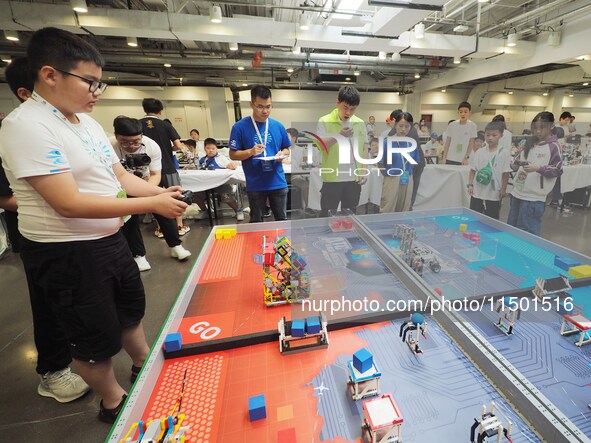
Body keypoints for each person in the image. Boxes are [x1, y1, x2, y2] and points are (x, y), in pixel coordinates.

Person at [0, 27, 189, 422]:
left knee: (129, 311)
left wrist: (158, 195)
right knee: (91, 335)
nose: (97, 91)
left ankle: (143, 364)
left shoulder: (85, 123)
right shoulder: (27, 125)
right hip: (66, 251)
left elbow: (120, 177)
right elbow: (67, 203)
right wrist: (150, 204)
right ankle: (114, 400)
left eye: (99, 83)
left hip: (109, 239)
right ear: (50, 74)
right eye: (90, 82)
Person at [0, 55, 91, 404]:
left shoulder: (72, 127)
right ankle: (53, 371)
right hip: (46, 237)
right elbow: (8, 196)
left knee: (81, 305)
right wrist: (57, 200)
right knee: (52, 307)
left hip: (81, 233)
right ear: (31, 91)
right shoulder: (19, 130)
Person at [111, 116, 192, 266]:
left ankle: (176, 246)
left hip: (148, 183)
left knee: (163, 210)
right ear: (116, 137)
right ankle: (138, 255)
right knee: (130, 220)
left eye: (135, 141)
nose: (131, 146)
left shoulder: (151, 145)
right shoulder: (109, 146)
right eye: (125, 142)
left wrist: (149, 193)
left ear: (142, 135)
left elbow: (156, 174)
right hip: (120, 187)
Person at [229, 85, 291, 222]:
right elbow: (233, 154)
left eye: (268, 106)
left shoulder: (278, 126)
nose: (265, 111)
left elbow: (287, 147)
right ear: (251, 104)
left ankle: (281, 244)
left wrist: (283, 154)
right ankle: (257, 244)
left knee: (282, 219)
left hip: (277, 181)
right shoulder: (239, 127)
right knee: (256, 221)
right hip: (255, 183)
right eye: (260, 107)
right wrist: (250, 152)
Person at [140, 98, 192, 237]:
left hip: (148, 169)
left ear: (144, 109)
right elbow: (179, 146)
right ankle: (179, 226)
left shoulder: (138, 124)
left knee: (155, 197)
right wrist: (168, 148)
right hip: (167, 166)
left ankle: (160, 229)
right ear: (161, 110)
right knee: (177, 196)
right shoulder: (165, 125)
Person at [507, 111, 563, 236]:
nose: (538, 131)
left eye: (542, 127)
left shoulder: (554, 146)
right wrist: (515, 164)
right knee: (511, 229)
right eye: (535, 127)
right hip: (517, 193)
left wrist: (539, 168)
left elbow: (557, 170)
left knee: (527, 233)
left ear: (551, 126)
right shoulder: (529, 142)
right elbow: (516, 159)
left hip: (534, 198)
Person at [317, 85, 368, 217]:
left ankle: (349, 237)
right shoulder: (324, 121)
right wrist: (339, 136)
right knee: (327, 215)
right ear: (338, 103)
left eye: (353, 109)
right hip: (333, 178)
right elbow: (321, 146)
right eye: (345, 107)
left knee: (350, 216)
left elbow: (365, 147)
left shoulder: (360, 123)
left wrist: (364, 170)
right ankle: (326, 238)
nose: (348, 113)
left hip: (353, 179)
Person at [467, 121, 511, 219]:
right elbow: (473, 170)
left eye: (494, 135)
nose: (490, 138)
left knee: (492, 219)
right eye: (488, 135)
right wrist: (470, 184)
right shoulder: (480, 152)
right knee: (474, 217)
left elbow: (506, 173)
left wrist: (503, 189)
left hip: (494, 192)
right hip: (477, 191)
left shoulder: (504, 153)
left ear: (501, 135)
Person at [193, 137, 244, 221]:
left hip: (220, 184)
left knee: (226, 195)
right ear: (204, 149)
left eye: (213, 148)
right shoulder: (202, 160)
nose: (210, 150)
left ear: (216, 149)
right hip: (206, 184)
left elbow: (229, 164)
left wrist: (232, 165)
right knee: (194, 194)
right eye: (208, 148)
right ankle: (206, 211)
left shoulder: (220, 158)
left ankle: (238, 210)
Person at [379, 111, 421, 213]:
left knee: (404, 207)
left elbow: (415, 162)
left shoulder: (412, 143)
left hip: (407, 178)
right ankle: (385, 227)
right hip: (392, 178)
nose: (403, 129)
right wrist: (388, 176)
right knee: (388, 206)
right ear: (395, 125)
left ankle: (401, 227)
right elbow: (380, 163)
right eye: (401, 126)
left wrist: (407, 173)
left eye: (407, 126)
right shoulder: (386, 142)